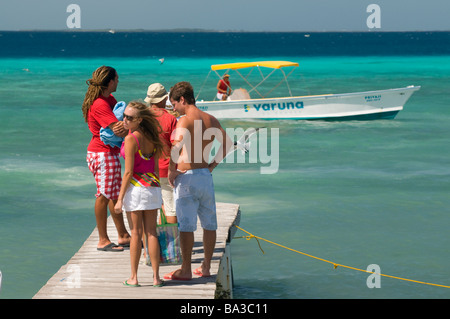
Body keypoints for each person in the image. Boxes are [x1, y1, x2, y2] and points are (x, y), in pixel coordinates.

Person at [163, 82, 232, 281]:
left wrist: (171, 171)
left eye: (174, 104)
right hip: (205, 176)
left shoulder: (185, 121)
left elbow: (176, 148)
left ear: (182, 99)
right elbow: (227, 144)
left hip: (187, 177)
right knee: (209, 223)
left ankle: (185, 269)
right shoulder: (211, 119)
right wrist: (212, 166)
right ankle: (207, 267)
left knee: (186, 225)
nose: (174, 108)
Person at [114, 101, 166, 287]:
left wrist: (119, 199)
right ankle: (156, 278)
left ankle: (134, 277)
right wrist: (159, 193)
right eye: (124, 116)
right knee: (151, 233)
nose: (125, 120)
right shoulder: (152, 137)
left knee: (136, 233)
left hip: (136, 188)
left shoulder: (131, 139)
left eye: (129, 118)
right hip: (152, 186)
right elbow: (155, 168)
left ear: (140, 120)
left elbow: (128, 172)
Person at [82, 66, 131, 252]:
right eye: (116, 78)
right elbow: (117, 128)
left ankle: (123, 235)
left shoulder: (109, 99)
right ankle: (103, 239)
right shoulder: (100, 104)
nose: (118, 81)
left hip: (107, 152)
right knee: (103, 195)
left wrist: (126, 125)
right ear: (109, 81)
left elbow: (121, 125)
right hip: (102, 153)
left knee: (113, 194)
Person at [145, 83, 178, 224]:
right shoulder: (170, 119)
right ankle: (170, 244)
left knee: (150, 210)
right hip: (165, 169)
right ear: (164, 99)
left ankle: (152, 244)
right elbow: (176, 147)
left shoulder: (142, 119)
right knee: (170, 208)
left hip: (145, 171)